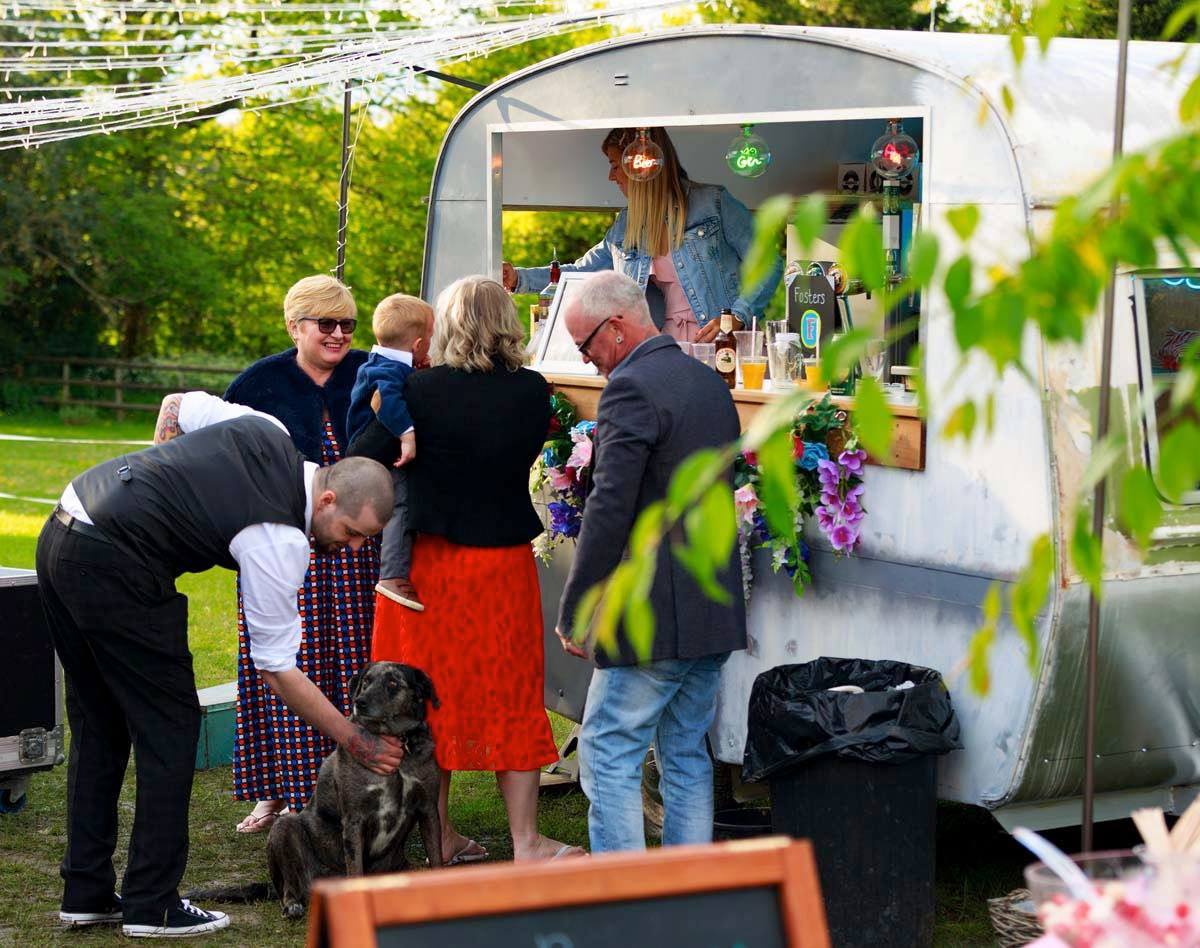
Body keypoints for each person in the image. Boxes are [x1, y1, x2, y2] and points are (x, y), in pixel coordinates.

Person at [37, 391, 398, 938]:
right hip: (116, 564)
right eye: (351, 533)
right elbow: (277, 668)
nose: (350, 549)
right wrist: (355, 740)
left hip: (66, 526)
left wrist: (159, 472)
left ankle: (85, 893)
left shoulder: (267, 428)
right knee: (171, 729)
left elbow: (176, 404)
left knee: (100, 722)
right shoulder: (279, 539)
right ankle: (152, 904)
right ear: (325, 500)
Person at [369, 275, 585, 863]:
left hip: (429, 569)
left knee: (427, 699)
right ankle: (527, 842)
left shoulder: (417, 390)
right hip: (502, 567)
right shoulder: (534, 392)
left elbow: (370, 447)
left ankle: (439, 838)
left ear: (446, 325)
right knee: (508, 694)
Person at [554, 271, 746, 854]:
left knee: (608, 754)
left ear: (616, 328)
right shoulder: (707, 380)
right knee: (686, 756)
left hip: (653, 612)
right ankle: (685, 903)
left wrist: (577, 605)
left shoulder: (631, 388)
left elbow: (610, 507)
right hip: (712, 602)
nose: (588, 364)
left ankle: (628, 911)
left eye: (586, 346)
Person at [223, 275, 379, 835]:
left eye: (346, 324)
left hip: (356, 548)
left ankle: (351, 786)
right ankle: (277, 791)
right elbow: (226, 459)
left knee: (351, 659)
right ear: (295, 327)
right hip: (279, 540)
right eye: (325, 325)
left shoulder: (369, 370)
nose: (338, 335)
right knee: (283, 659)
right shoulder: (257, 384)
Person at [502, 126, 782, 344]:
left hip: (721, 347)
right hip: (661, 347)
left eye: (614, 165)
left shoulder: (713, 203)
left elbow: (769, 262)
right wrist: (519, 279)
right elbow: (582, 273)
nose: (611, 177)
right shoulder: (626, 224)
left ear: (642, 164)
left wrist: (739, 316)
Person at [345, 293, 435, 611]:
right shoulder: (386, 372)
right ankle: (393, 574)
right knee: (401, 503)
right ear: (417, 344)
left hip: (375, 454)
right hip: (376, 456)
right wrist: (408, 436)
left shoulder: (383, 363)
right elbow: (388, 399)